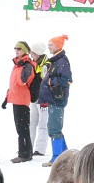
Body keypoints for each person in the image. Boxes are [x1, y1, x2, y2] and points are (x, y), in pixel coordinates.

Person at [40, 35, 71, 166]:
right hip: (54, 99)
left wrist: (52, 82)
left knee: (54, 129)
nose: (49, 47)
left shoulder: (62, 61)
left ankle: (57, 158)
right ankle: (64, 155)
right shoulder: (56, 60)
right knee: (54, 127)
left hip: (57, 99)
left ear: (58, 46)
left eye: (51, 44)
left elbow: (66, 79)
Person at [5, 41, 35, 164]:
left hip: (22, 99)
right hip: (16, 99)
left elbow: (22, 82)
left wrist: (24, 65)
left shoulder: (26, 65)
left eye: (19, 49)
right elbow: (13, 85)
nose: (16, 50)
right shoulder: (17, 64)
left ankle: (25, 154)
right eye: (15, 48)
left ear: (25, 51)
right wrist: (7, 97)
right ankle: (24, 152)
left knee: (23, 128)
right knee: (20, 128)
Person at [28, 41, 49, 158]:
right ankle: (28, 148)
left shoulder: (46, 65)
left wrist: (45, 98)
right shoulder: (33, 64)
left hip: (43, 100)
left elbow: (47, 84)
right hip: (34, 98)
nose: (31, 55)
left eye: (33, 53)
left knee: (42, 124)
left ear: (38, 53)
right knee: (32, 123)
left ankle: (40, 149)